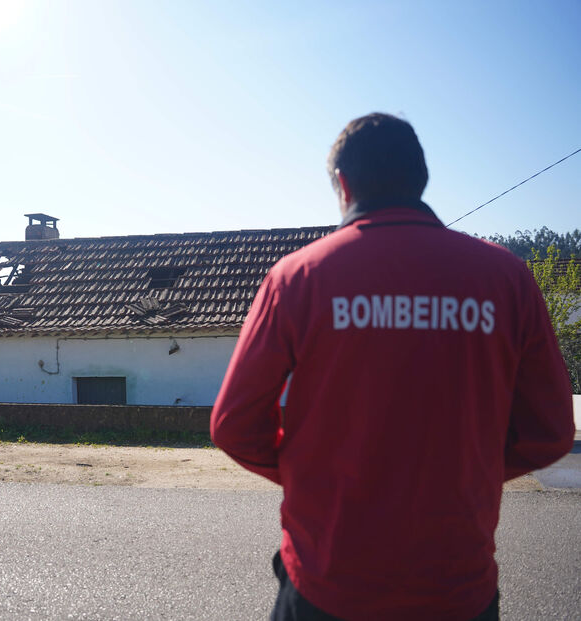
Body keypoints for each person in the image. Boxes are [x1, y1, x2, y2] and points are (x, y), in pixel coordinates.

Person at [210, 112, 575, 621]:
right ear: (420, 180)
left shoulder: (298, 277)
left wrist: (313, 477)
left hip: (327, 582)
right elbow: (552, 431)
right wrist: (471, 472)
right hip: (456, 589)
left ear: (342, 184)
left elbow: (233, 426)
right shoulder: (507, 277)